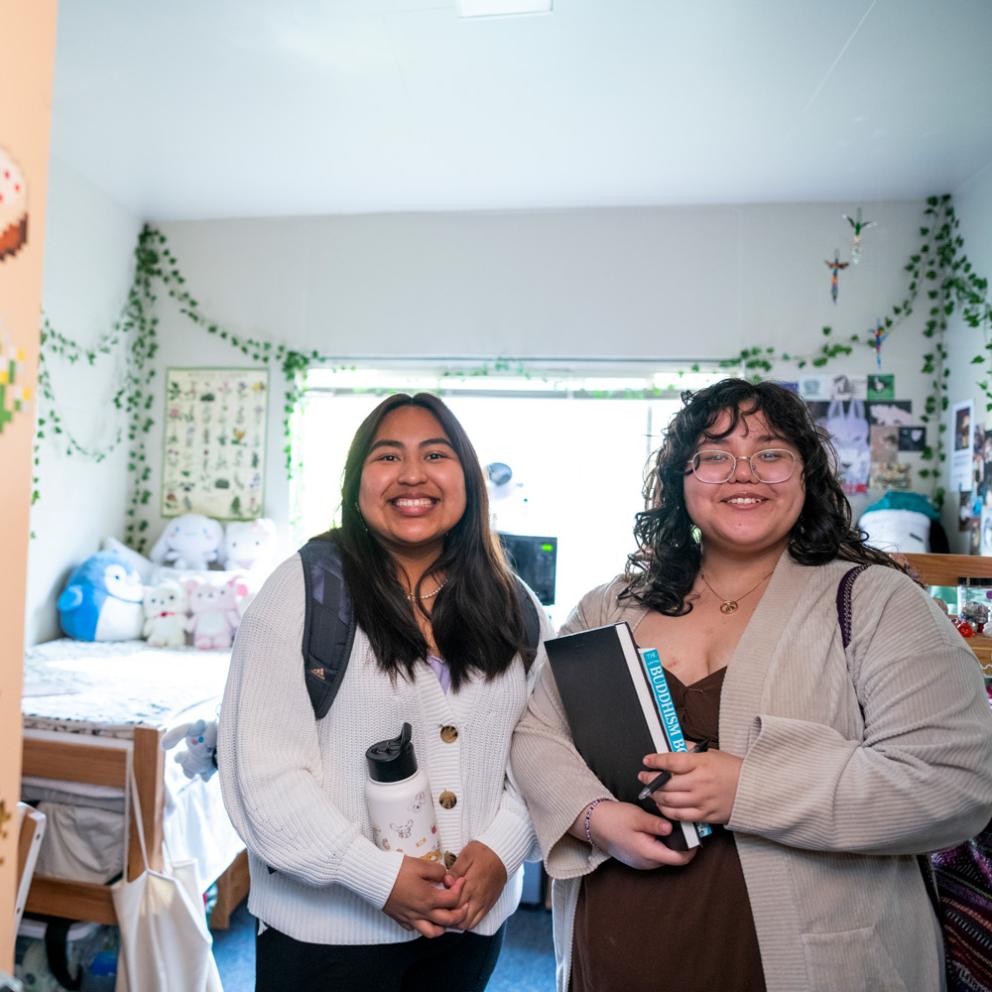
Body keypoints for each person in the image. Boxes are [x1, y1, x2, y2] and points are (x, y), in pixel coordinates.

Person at [511, 378, 992, 992]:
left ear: (805, 474)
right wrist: (591, 815)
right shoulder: (611, 606)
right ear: (680, 481)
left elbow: (952, 783)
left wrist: (749, 789)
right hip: (614, 950)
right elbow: (535, 733)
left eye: (770, 453)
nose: (744, 474)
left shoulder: (878, 603)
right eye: (714, 456)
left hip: (813, 963)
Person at [219, 392, 549, 992]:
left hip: (469, 931)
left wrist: (502, 851)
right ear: (357, 481)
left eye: (436, 454)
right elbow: (262, 775)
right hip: (327, 940)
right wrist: (375, 876)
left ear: (469, 479)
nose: (413, 475)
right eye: (388, 456)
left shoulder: (514, 603)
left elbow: (542, 749)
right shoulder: (303, 590)